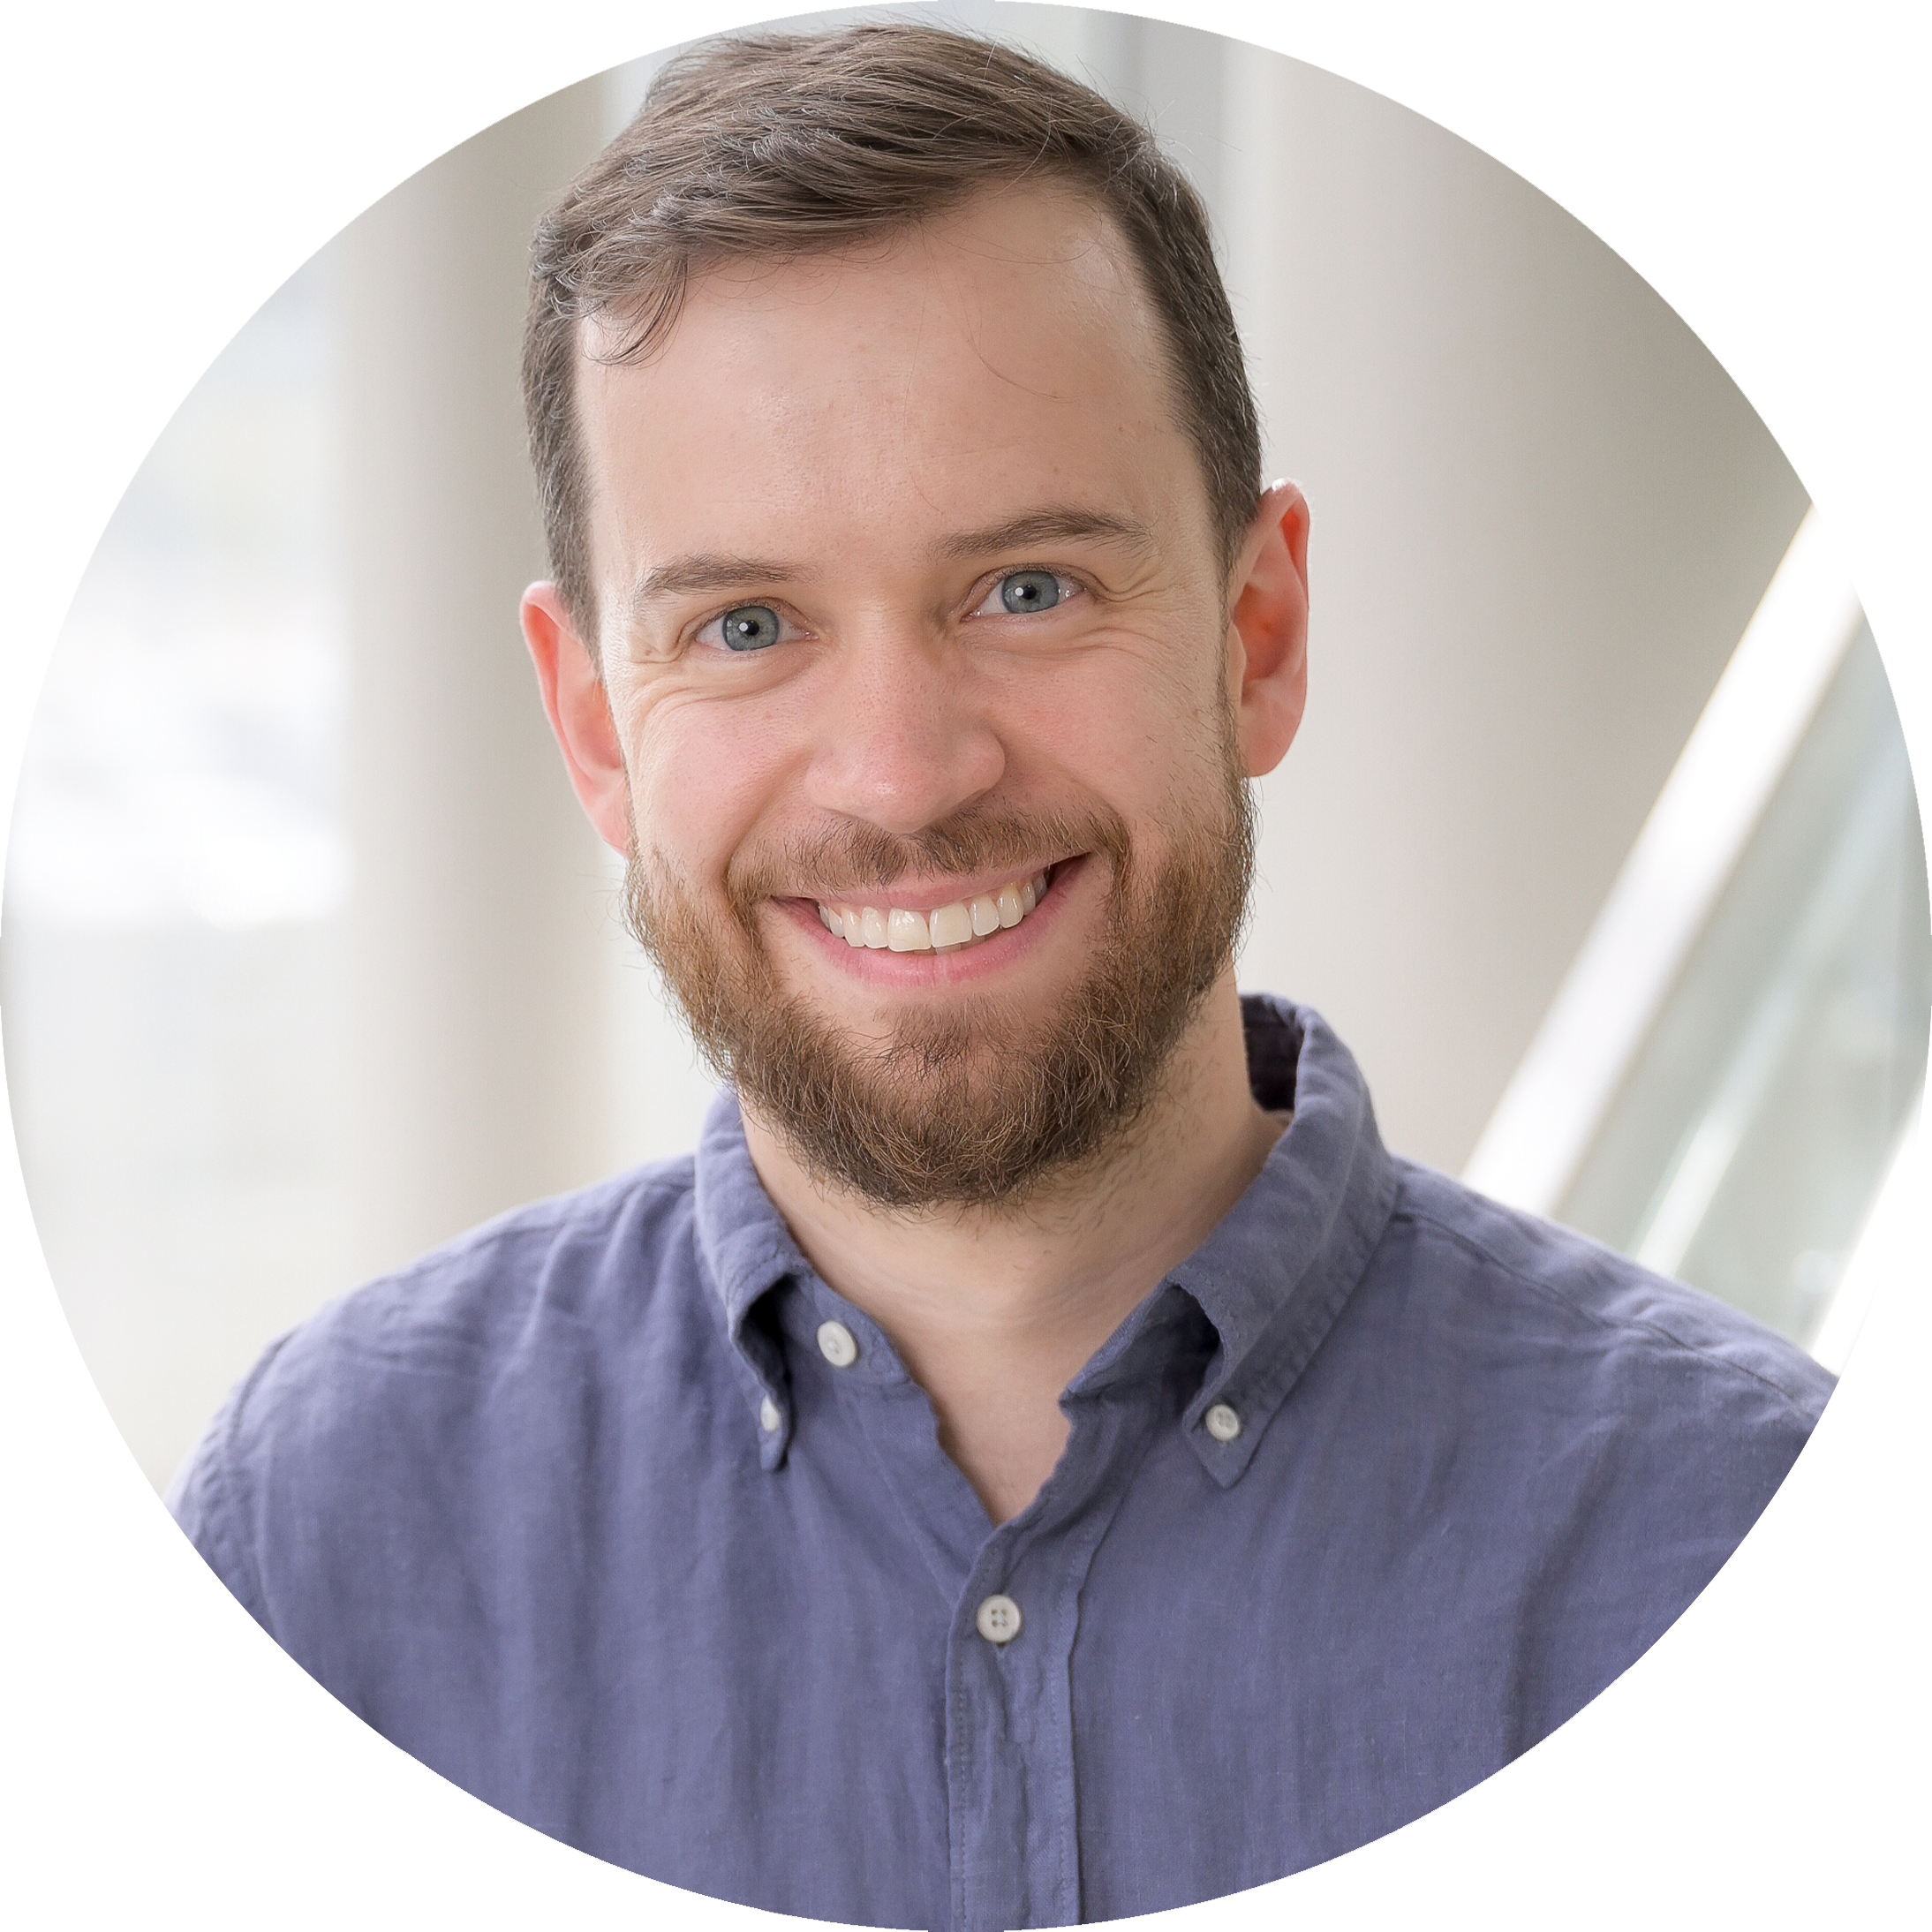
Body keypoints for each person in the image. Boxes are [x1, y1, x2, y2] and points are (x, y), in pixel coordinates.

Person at [170, 25, 1885, 1928]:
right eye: (745, 626)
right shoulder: (327, 1531)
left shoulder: (1724, 1527)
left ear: (1255, 632)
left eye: (1028, 589)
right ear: (592, 722)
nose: (904, 772)